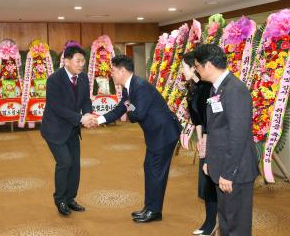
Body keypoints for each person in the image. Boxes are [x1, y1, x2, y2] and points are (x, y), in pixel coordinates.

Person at [96, 55, 181, 223]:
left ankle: (154, 211)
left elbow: (137, 114)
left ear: (122, 71)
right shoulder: (129, 87)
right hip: (156, 134)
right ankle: (150, 208)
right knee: (150, 169)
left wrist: (129, 108)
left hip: (164, 134)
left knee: (155, 171)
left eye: (113, 70)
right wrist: (98, 120)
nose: (111, 74)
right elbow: (122, 107)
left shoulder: (140, 87)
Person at [193, 44, 259, 236]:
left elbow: (238, 136)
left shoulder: (235, 89)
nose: (196, 70)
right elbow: (217, 129)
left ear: (209, 65)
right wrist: (211, 163)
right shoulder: (217, 88)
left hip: (235, 171)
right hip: (222, 165)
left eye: (197, 66)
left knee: (236, 224)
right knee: (226, 220)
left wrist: (228, 173)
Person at [40, 45, 96, 216]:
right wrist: (80, 118)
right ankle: (60, 199)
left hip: (72, 129)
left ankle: (71, 198)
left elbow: (86, 99)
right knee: (65, 162)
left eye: (83, 61)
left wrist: (87, 113)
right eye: (78, 61)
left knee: (75, 166)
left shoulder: (84, 78)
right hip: (54, 129)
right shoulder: (54, 79)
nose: (81, 64)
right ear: (66, 61)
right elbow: (56, 107)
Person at [182, 52, 217, 236]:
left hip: (213, 138)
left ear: (194, 67)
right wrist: (199, 139)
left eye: (184, 67)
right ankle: (209, 222)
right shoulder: (193, 87)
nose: (182, 70)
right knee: (205, 183)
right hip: (204, 137)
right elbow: (197, 119)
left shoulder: (207, 88)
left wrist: (205, 140)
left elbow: (212, 119)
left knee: (210, 183)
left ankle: (211, 224)